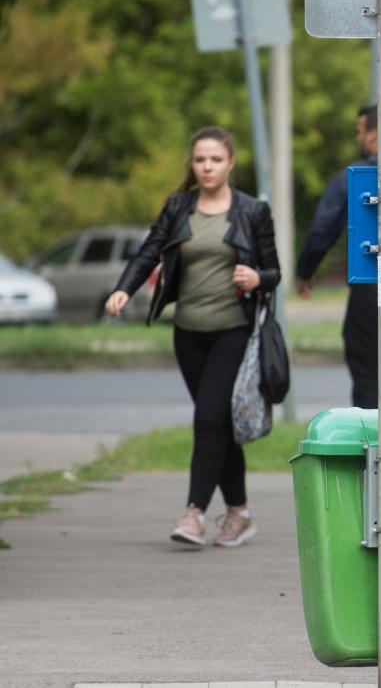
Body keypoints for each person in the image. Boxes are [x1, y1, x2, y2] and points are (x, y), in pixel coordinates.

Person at [106, 126, 279, 548]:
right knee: (216, 424)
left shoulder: (252, 211)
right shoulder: (178, 207)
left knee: (207, 420)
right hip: (187, 332)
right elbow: (150, 251)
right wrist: (124, 287)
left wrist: (257, 276)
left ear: (230, 163)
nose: (207, 167)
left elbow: (274, 272)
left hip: (232, 330)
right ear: (192, 163)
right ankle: (239, 513)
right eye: (200, 159)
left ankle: (194, 514)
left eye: (215, 159)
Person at [295, 104, 381, 408]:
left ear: (373, 134)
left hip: (372, 286)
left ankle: (376, 450)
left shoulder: (354, 177)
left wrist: (305, 271)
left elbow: (321, 229)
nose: (358, 139)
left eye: (359, 132)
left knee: (369, 376)